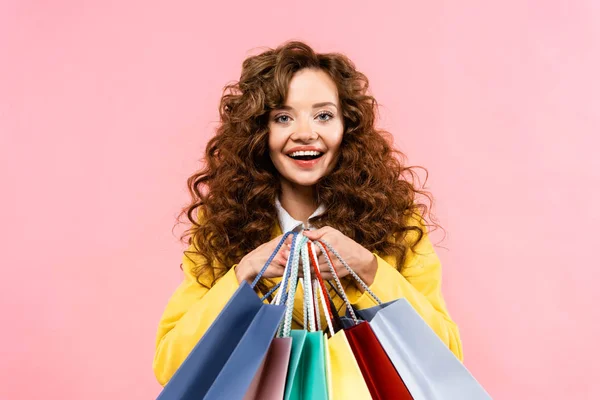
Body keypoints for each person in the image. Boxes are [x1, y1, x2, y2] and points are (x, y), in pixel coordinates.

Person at [153, 40, 463, 386]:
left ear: (347, 127)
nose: (305, 133)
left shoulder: (397, 226)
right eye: (283, 117)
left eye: (324, 115)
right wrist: (242, 277)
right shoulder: (224, 230)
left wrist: (369, 269)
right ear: (259, 133)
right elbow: (173, 367)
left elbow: (445, 358)